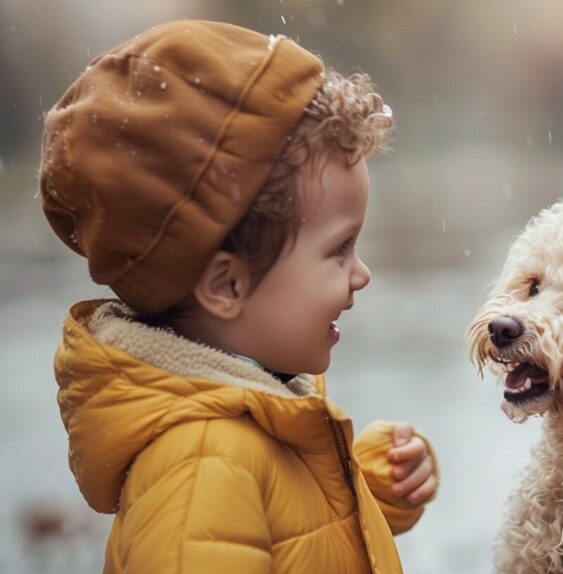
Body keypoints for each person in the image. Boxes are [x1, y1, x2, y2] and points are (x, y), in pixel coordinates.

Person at [38, 20, 437, 573]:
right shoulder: (202, 466)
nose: (361, 273)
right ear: (227, 285)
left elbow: (289, 532)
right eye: (339, 249)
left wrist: (365, 484)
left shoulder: (254, 416)